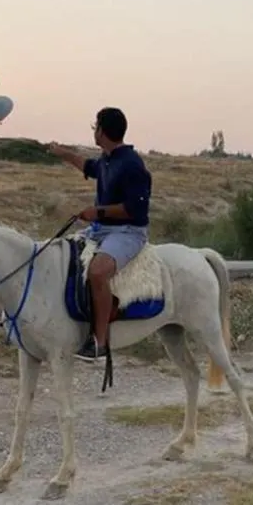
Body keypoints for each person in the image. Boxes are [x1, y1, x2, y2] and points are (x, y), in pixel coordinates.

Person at [48, 107, 152, 362]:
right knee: (60, 252)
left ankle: (100, 342)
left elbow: (135, 209)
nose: (94, 131)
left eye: (95, 127)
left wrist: (98, 212)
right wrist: (63, 153)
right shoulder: (108, 159)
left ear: (102, 131)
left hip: (128, 232)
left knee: (97, 272)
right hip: (102, 229)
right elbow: (90, 167)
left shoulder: (132, 165)